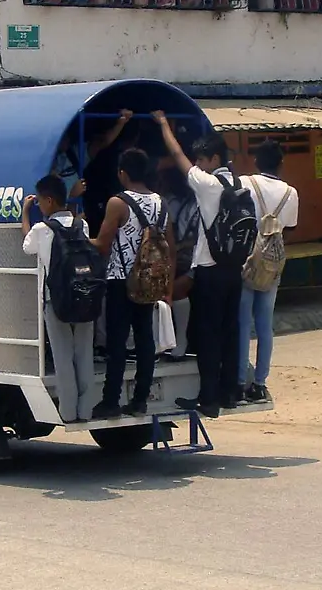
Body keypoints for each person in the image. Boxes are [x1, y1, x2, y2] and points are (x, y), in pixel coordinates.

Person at [153, 111, 243, 418]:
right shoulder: (241, 184)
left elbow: (177, 156)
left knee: (208, 336)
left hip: (210, 271)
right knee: (231, 333)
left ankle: (208, 399)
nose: (198, 165)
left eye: (202, 159)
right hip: (235, 271)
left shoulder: (209, 185)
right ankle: (230, 392)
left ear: (213, 157)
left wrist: (164, 125)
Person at [89, 148, 173, 419]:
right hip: (149, 280)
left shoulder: (118, 203)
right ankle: (140, 400)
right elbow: (168, 244)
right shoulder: (161, 203)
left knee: (117, 343)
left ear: (123, 173)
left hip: (120, 281)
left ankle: (110, 401)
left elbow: (102, 244)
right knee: (145, 339)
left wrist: (77, 236)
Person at [21, 175, 96, 423]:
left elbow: (26, 246)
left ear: (49, 201)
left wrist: (25, 213)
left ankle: (68, 411)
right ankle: (86, 410)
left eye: (41, 201)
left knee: (63, 356)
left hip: (56, 302)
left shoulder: (41, 230)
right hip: (84, 295)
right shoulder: (81, 226)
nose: (40, 205)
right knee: (84, 354)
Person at [238, 140, 299, 402]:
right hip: (273, 262)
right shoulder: (290, 192)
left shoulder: (244, 183)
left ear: (256, 162)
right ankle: (260, 383)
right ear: (281, 164)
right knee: (265, 325)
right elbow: (292, 227)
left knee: (242, 323)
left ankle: (240, 380)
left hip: (246, 260)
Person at [53, 109, 135, 212]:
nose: (65, 138)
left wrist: (121, 123)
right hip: (61, 217)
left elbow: (102, 143)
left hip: (78, 217)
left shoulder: (72, 155)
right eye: (61, 135)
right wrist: (73, 196)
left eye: (65, 135)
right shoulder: (45, 167)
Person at [158, 157, 200, 360]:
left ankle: (180, 342)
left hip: (191, 258)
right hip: (187, 257)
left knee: (175, 291)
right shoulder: (189, 202)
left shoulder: (174, 203)